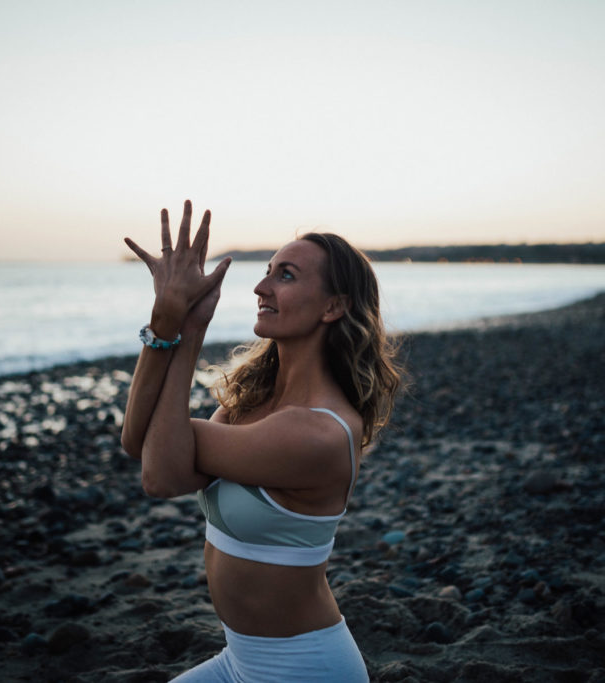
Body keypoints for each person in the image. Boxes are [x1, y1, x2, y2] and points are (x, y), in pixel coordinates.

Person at [121, 200, 401, 682]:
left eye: (285, 276)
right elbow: (140, 444)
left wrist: (183, 327)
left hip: (305, 670)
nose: (260, 286)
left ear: (334, 307)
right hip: (239, 661)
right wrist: (170, 322)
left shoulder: (316, 433)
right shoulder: (254, 403)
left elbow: (159, 475)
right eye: (268, 271)